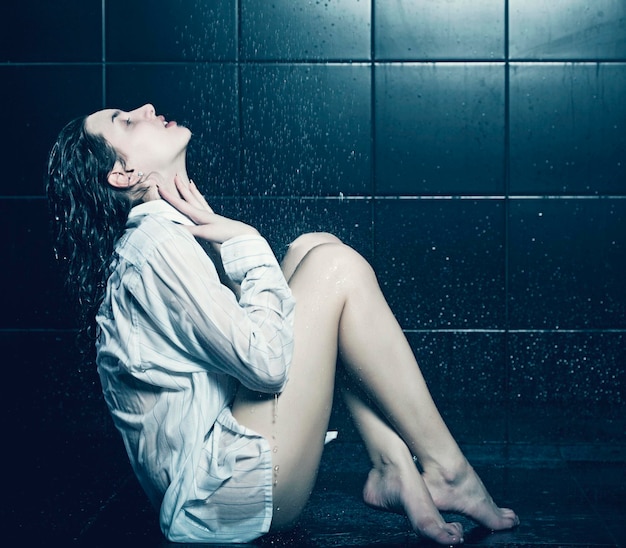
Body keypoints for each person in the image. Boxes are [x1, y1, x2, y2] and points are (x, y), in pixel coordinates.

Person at [46, 103, 519, 545]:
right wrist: (245, 239)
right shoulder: (156, 247)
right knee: (336, 267)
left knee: (312, 246)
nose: (146, 110)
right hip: (224, 498)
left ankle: (391, 464)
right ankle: (448, 472)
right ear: (123, 172)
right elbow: (267, 363)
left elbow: (242, 345)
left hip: (216, 478)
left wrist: (233, 241)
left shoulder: (161, 235)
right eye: (126, 122)